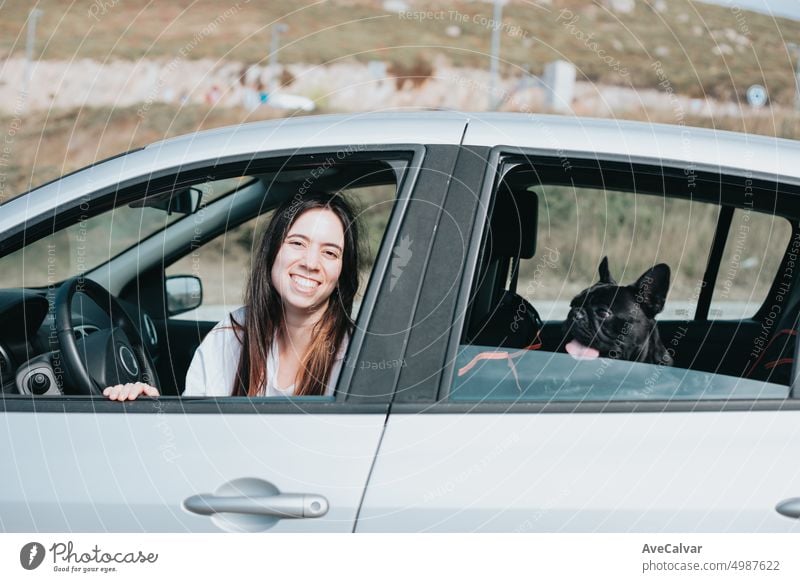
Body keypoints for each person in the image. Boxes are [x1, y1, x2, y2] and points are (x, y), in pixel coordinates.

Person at [103, 191, 361, 400]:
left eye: (330, 252)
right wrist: (149, 409)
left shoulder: (357, 355)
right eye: (297, 243)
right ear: (272, 252)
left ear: (342, 271)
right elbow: (194, 428)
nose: (311, 262)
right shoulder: (232, 334)